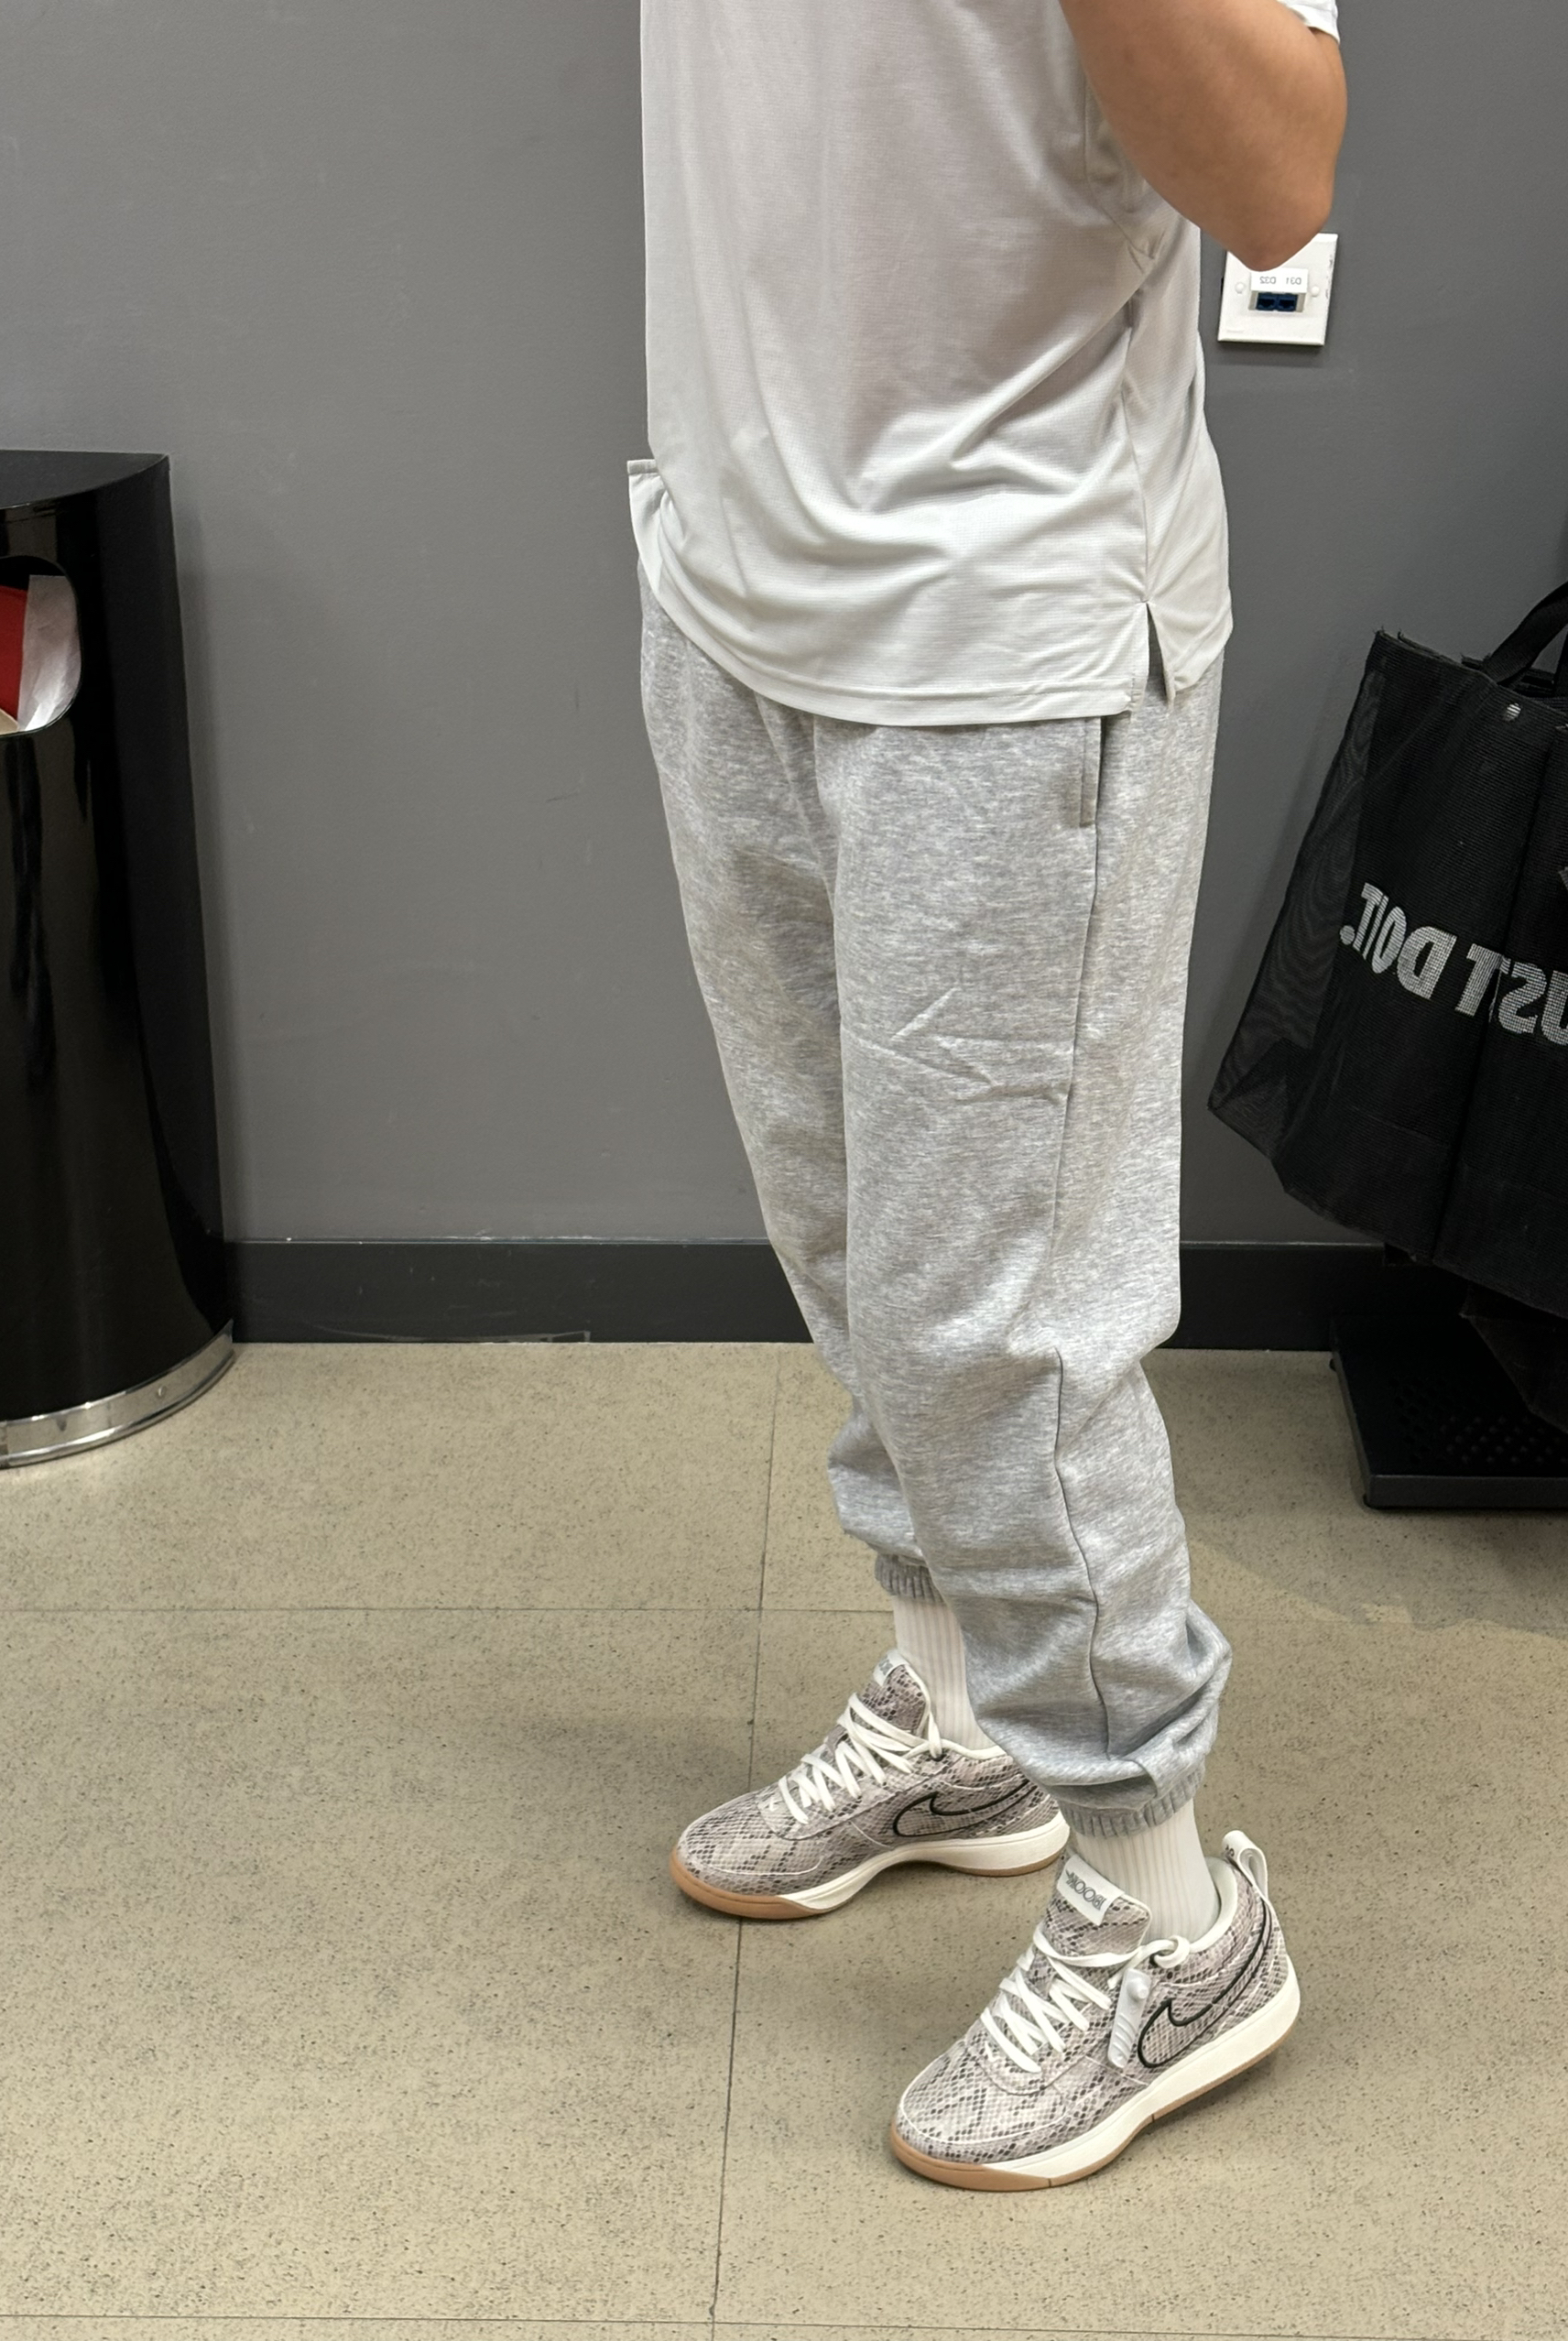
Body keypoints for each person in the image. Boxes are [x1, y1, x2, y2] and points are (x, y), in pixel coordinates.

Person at [632, 0, 1346, 2191]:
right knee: (854, 1247)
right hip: (732, 576)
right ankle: (959, 1720)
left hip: (1004, 623)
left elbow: (1275, 176)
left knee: (997, 1328)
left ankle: (1165, 1908)